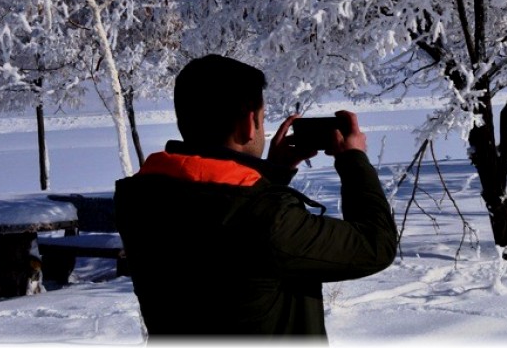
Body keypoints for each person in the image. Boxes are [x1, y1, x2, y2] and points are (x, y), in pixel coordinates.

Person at [114, 55, 397, 338]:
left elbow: (218, 223)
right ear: (249, 124)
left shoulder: (143, 197)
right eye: (262, 119)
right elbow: (375, 245)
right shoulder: (265, 216)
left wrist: (270, 175)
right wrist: (354, 160)